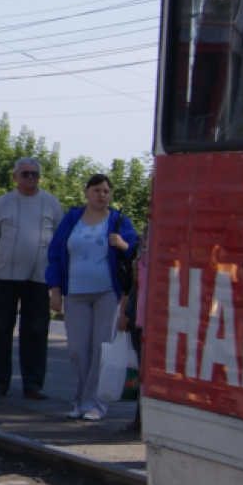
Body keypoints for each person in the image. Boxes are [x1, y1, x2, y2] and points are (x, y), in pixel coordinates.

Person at [45, 173, 138, 422]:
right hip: (75, 292)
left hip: (107, 293)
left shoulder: (118, 221)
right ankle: (79, 400)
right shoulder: (72, 219)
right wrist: (55, 290)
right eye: (96, 190)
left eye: (106, 191)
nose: (101, 195)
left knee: (100, 348)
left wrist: (123, 245)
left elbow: (135, 253)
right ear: (86, 192)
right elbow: (55, 253)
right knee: (78, 349)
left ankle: (95, 404)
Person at [0, 158, 62, 400]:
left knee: (36, 330)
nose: (30, 179)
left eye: (35, 174)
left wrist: (59, 282)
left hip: (40, 279)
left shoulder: (51, 204)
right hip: (6, 276)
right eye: (25, 174)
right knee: (0, 330)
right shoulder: (2, 204)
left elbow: (60, 244)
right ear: (14, 176)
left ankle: (33, 385)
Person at [116, 225, 150, 433]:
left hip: (157, 324)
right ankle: (139, 418)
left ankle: (146, 418)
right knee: (141, 371)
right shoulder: (140, 261)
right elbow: (131, 288)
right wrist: (124, 316)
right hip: (139, 320)